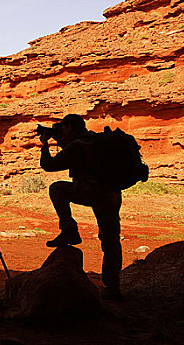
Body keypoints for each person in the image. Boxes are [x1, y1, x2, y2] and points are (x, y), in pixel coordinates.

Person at [39, 114, 124, 301]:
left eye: (63, 127)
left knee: (57, 189)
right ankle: (113, 287)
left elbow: (49, 165)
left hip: (92, 191)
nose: (61, 130)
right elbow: (77, 156)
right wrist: (58, 139)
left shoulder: (77, 146)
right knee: (110, 239)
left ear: (69, 127)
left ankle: (69, 230)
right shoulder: (93, 139)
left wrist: (45, 144)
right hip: (111, 193)